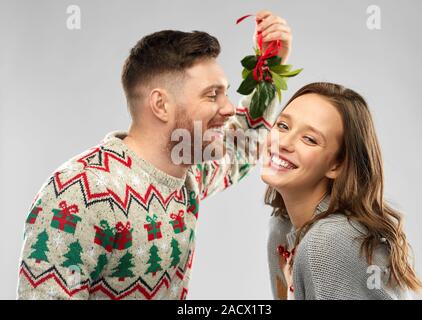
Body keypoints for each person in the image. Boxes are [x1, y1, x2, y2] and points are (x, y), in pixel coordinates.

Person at [17, 11, 293, 300]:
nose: (227, 109)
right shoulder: (77, 193)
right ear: (160, 104)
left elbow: (242, 145)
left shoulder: (186, 176)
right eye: (212, 95)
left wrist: (270, 63)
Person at [263, 82, 422, 300]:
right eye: (283, 126)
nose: (284, 143)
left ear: (336, 165)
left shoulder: (328, 241)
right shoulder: (282, 228)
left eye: (309, 139)